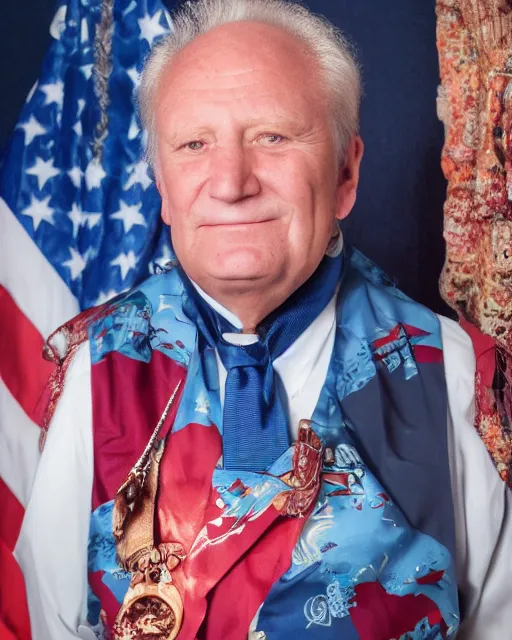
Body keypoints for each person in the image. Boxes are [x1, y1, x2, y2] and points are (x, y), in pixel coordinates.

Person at [13, 0, 511, 638]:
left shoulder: (455, 378)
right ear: (162, 188)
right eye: (194, 144)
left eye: (272, 137)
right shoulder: (100, 370)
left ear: (345, 173)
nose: (230, 182)